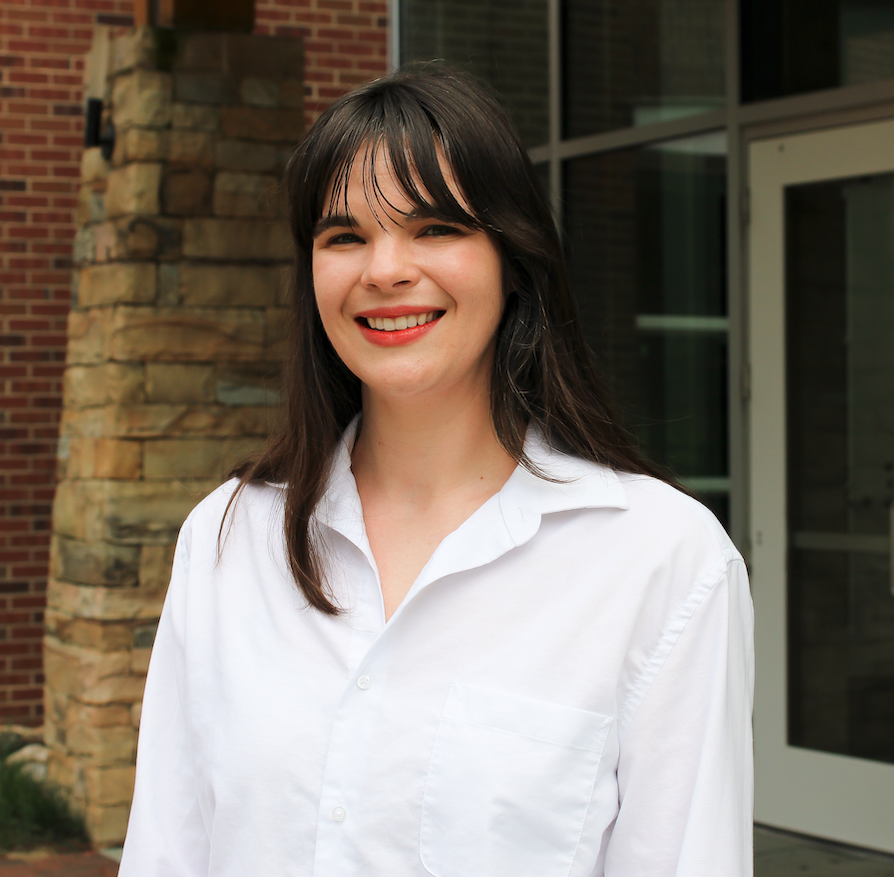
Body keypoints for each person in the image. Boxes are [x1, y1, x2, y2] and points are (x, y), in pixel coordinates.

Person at [117, 66, 753, 877]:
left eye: (435, 228)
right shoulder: (226, 537)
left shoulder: (661, 560)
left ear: (513, 258)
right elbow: (169, 853)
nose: (384, 270)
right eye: (343, 236)